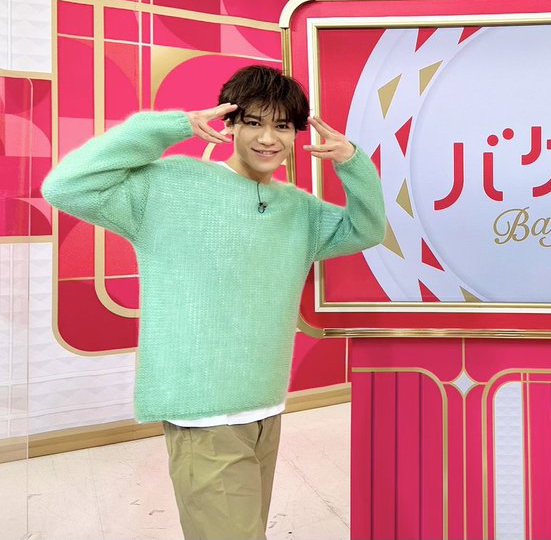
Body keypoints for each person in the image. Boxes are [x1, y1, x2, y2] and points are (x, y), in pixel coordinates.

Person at [41, 65, 386, 540]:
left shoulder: (299, 209)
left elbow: (367, 229)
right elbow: (65, 185)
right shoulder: (170, 184)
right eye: (253, 122)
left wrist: (352, 162)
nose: (268, 138)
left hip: (264, 404)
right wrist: (171, 127)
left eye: (282, 126)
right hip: (202, 411)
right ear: (230, 124)